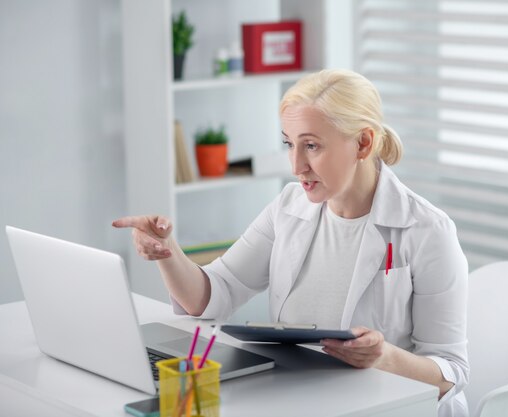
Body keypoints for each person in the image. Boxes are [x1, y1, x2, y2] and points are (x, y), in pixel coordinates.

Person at [113, 69, 469, 417]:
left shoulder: (427, 230)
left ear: (363, 142)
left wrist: (383, 357)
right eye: (289, 144)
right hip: (301, 399)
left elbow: (450, 373)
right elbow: (215, 292)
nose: (297, 165)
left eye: (311, 146)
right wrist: (168, 252)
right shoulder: (287, 206)